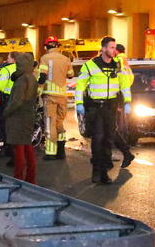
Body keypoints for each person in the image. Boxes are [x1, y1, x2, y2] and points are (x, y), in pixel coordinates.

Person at [75, 36, 132, 184]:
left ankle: (104, 171)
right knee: (98, 139)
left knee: (108, 139)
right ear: (103, 48)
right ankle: (97, 172)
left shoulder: (117, 65)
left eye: (115, 47)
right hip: (95, 107)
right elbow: (80, 86)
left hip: (110, 106)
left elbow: (124, 84)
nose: (114, 50)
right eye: (111, 47)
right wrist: (79, 103)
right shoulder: (90, 65)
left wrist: (127, 101)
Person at [4, 52, 38, 184]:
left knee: (19, 149)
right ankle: (30, 178)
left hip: (18, 117)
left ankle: (18, 177)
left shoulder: (22, 80)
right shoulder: (31, 77)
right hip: (28, 115)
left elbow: (17, 101)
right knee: (27, 147)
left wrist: (6, 112)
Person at [38, 36, 74, 161]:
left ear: (46, 47)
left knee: (50, 124)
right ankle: (61, 152)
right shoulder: (66, 59)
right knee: (59, 123)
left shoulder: (45, 58)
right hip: (62, 96)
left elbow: (42, 77)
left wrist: (38, 89)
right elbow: (70, 75)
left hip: (50, 96)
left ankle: (50, 153)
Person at [112, 44, 135, 168]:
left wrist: (122, 101)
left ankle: (126, 152)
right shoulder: (125, 62)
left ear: (116, 51)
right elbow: (129, 80)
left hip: (116, 97)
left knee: (111, 128)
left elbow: (120, 81)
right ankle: (125, 153)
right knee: (112, 128)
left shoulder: (118, 60)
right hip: (120, 97)